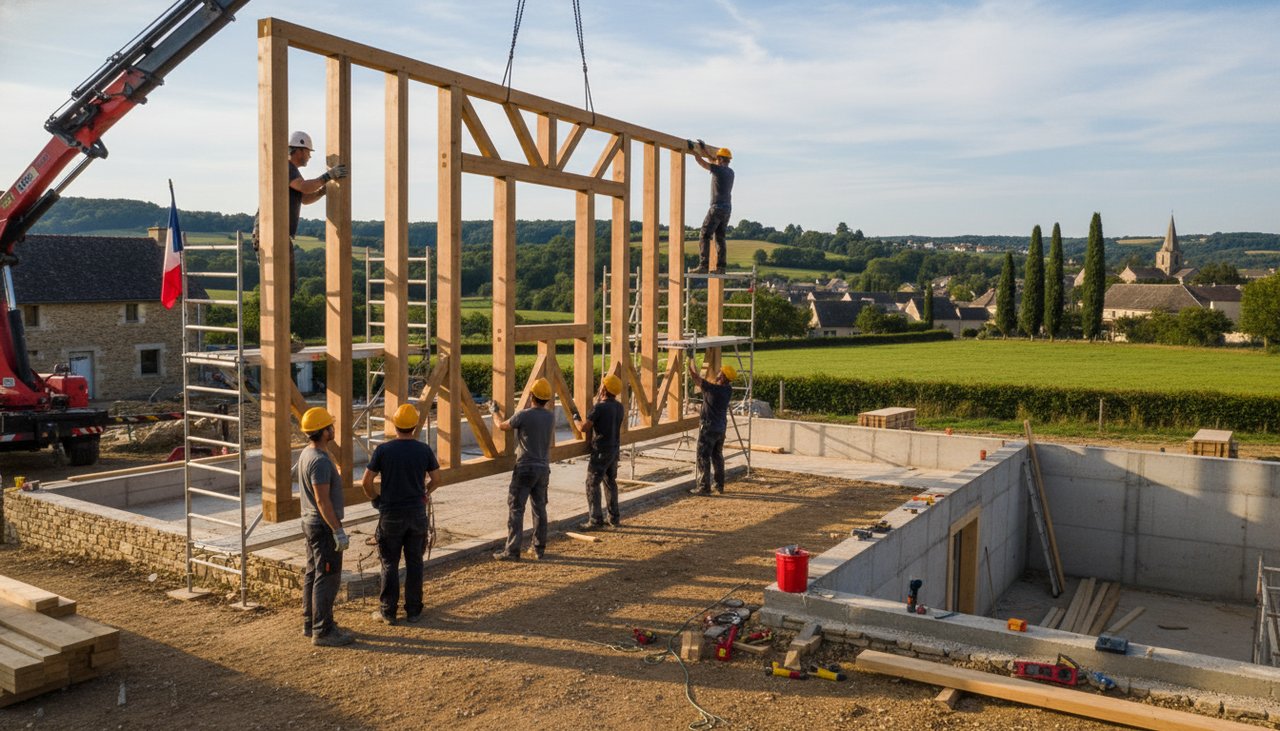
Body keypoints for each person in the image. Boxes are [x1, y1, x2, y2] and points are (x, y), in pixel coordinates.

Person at [360, 403, 441, 626]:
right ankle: (414, 610)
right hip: (416, 514)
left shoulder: (384, 451)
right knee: (415, 562)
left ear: (395, 425)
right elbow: (437, 479)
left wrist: (376, 500)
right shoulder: (423, 450)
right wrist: (423, 494)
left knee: (389, 563)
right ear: (415, 426)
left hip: (391, 514)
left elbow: (366, 482)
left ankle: (388, 612)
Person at [298, 406, 352, 646]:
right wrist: (337, 529)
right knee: (327, 576)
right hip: (322, 526)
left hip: (310, 523)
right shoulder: (319, 461)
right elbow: (322, 499)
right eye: (331, 426)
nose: (334, 429)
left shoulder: (306, 454)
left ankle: (311, 623)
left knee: (313, 572)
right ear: (324, 432)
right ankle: (324, 631)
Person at [489, 378, 555, 561]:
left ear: (532, 395)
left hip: (525, 467)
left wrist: (494, 412)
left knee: (516, 509)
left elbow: (503, 426)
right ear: (547, 399)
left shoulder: (523, 416)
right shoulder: (550, 416)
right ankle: (539, 549)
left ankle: (512, 551)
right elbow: (531, 413)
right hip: (543, 469)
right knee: (539, 509)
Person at [574, 374, 625, 530]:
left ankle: (595, 520)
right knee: (610, 483)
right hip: (614, 449)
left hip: (601, 451)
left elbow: (584, 428)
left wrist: (575, 418)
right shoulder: (619, 406)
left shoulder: (599, 408)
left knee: (592, 484)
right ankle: (614, 518)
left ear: (603, 388)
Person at [686, 357, 736, 495]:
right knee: (717, 456)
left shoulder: (714, 389)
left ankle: (704, 487)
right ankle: (719, 485)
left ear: (723, 377)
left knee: (703, 456)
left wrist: (690, 365)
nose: (718, 373)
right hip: (720, 428)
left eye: (720, 372)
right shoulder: (727, 390)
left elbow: (697, 379)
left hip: (709, 428)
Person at [691, 142, 734, 274]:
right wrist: (705, 150)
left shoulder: (719, 170)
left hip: (717, 207)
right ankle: (721, 268)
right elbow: (712, 161)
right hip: (727, 208)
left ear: (721, 159)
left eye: (718, 158)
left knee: (705, 234)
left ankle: (703, 266)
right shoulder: (730, 172)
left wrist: (695, 151)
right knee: (720, 237)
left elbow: (703, 163)